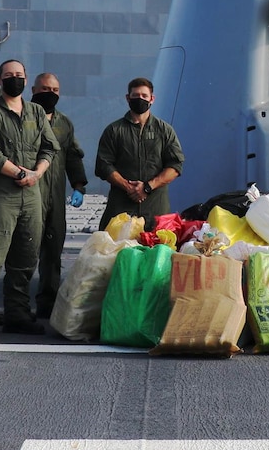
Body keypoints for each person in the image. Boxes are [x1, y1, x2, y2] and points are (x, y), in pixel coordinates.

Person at [0, 59, 59, 338]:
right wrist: (20, 172)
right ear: (0, 79)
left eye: (18, 75)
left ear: (26, 79)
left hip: (31, 195)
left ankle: (17, 314)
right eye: (9, 75)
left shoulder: (36, 112)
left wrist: (37, 174)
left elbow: (49, 147)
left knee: (25, 258)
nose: (14, 79)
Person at [31, 72, 88, 319]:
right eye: (44, 89)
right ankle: (18, 305)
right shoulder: (24, 118)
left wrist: (78, 185)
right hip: (28, 195)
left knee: (52, 252)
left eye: (54, 90)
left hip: (55, 196)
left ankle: (47, 301)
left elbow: (73, 155)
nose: (50, 94)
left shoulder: (64, 123)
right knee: (24, 252)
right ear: (33, 89)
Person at [95, 77, 185, 229]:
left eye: (144, 96)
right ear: (128, 98)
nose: (140, 99)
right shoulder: (114, 131)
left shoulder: (164, 130)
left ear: (152, 99)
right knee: (117, 251)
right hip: (121, 209)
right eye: (135, 95)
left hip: (156, 209)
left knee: (156, 249)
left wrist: (148, 187)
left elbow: (175, 165)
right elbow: (103, 165)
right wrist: (128, 187)